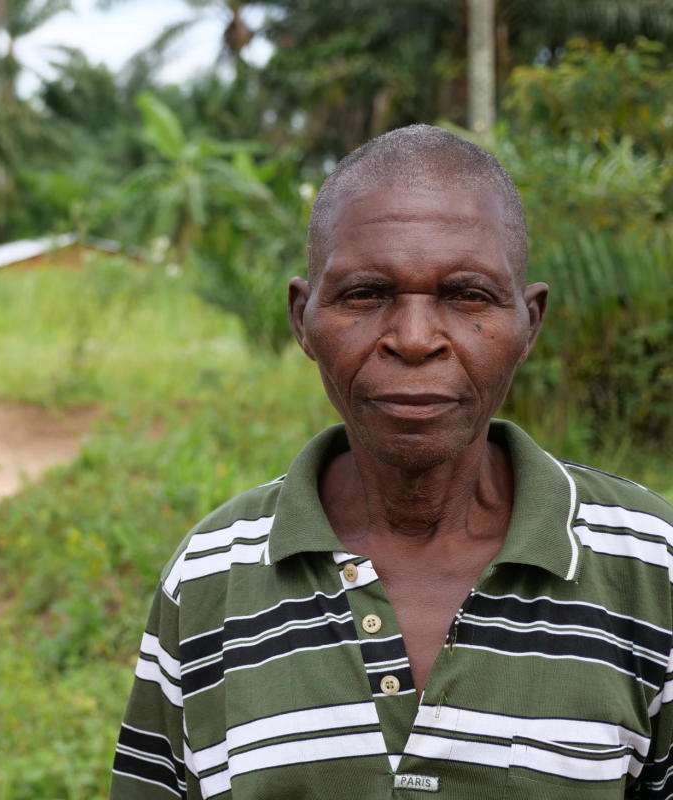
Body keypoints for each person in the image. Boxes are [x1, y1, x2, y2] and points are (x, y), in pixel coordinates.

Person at [109, 125, 673, 799]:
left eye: (467, 295)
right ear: (302, 318)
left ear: (530, 323)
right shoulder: (210, 577)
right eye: (366, 295)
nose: (413, 339)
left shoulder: (649, 566)